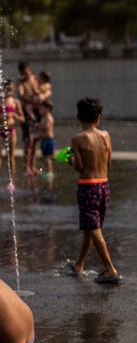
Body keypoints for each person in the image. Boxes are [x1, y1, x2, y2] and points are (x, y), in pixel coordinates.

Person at [68, 98, 121, 284]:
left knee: (93, 228)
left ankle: (110, 269)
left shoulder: (78, 139)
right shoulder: (106, 136)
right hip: (104, 185)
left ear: (78, 117)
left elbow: (80, 167)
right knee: (91, 228)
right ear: (98, 118)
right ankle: (78, 264)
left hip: (88, 186)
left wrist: (70, 160)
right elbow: (108, 162)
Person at [0, 80, 24, 193]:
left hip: (11, 130)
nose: (9, 91)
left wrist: (15, 115)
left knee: (11, 157)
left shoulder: (15, 102)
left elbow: (23, 119)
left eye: (11, 89)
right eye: (8, 89)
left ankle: (11, 182)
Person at [18, 62, 40, 176]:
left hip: (35, 111)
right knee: (28, 141)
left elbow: (39, 91)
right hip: (26, 112)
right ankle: (26, 167)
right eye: (25, 72)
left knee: (35, 141)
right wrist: (31, 98)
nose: (27, 73)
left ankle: (33, 166)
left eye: (28, 70)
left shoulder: (34, 79)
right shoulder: (21, 81)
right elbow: (21, 94)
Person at [38, 100, 55, 177]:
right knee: (45, 157)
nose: (40, 110)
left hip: (48, 140)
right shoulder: (44, 117)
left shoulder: (49, 118)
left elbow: (46, 127)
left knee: (48, 158)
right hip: (44, 140)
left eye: (42, 108)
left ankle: (49, 172)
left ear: (47, 109)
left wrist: (38, 125)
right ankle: (46, 170)